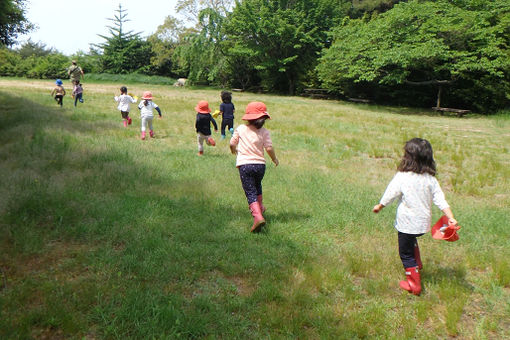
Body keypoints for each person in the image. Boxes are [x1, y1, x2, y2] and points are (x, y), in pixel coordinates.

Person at [372, 138, 458, 296]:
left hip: (407, 224)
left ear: (408, 157)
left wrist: (380, 205)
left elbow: (391, 193)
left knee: (405, 253)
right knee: (412, 239)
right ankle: (417, 263)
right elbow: (440, 198)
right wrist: (450, 217)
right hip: (422, 225)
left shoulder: (403, 176)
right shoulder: (430, 179)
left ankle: (414, 285)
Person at [230, 101, 279, 233]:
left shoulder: (240, 128)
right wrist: (274, 158)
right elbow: (268, 147)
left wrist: (232, 149)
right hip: (260, 166)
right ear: (263, 119)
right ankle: (260, 206)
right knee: (257, 185)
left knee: (250, 191)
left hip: (245, 165)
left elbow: (232, 142)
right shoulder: (264, 132)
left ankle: (257, 217)